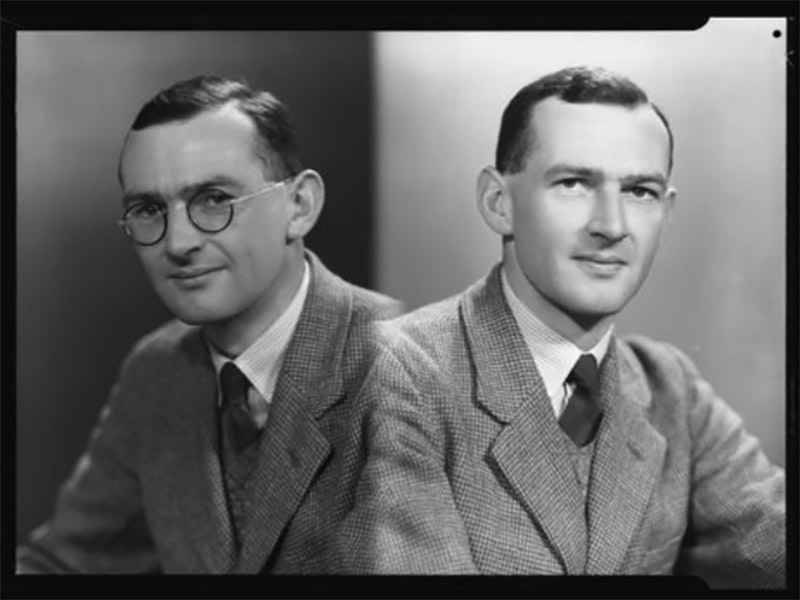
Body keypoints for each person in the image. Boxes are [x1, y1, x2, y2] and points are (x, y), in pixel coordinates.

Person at [337, 66, 785, 587]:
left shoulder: (670, 388)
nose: (611, 226)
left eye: (639, 191)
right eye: (574, 183)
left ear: (667, 212)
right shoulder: (393, 373)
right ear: (497, 202)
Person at [16, 75, 402, 574]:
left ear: (299, 206)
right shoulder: (157, 371)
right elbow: (61, 564)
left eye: (214, 199)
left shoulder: (413, 364)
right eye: (149, 210)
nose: (177, 242)